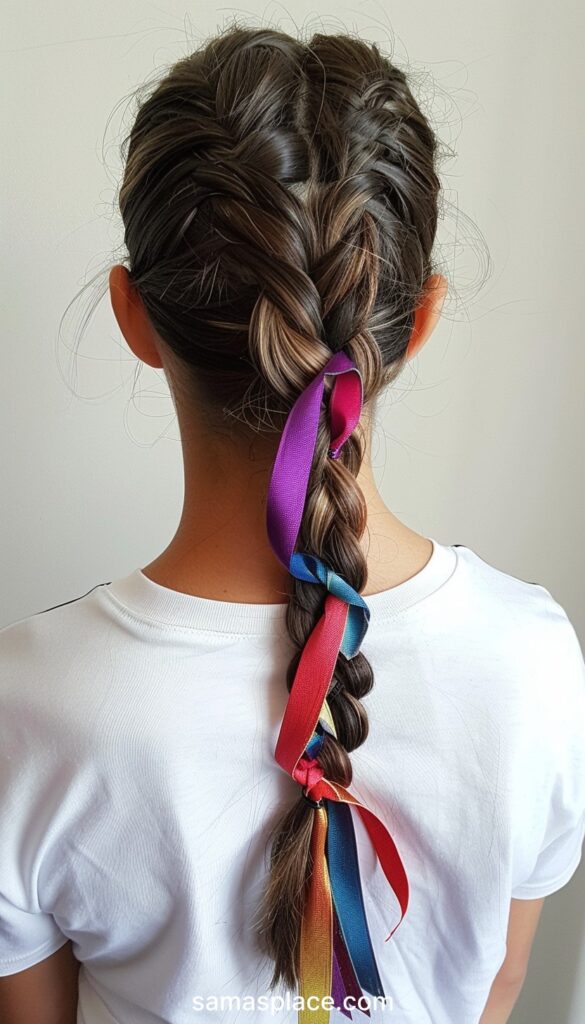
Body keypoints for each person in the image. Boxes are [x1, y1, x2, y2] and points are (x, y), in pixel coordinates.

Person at [1, 23, 584, 1024]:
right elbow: (499, 987)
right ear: (421, 316)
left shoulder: (29, 707)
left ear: (135, 317)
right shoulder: (536, 661)